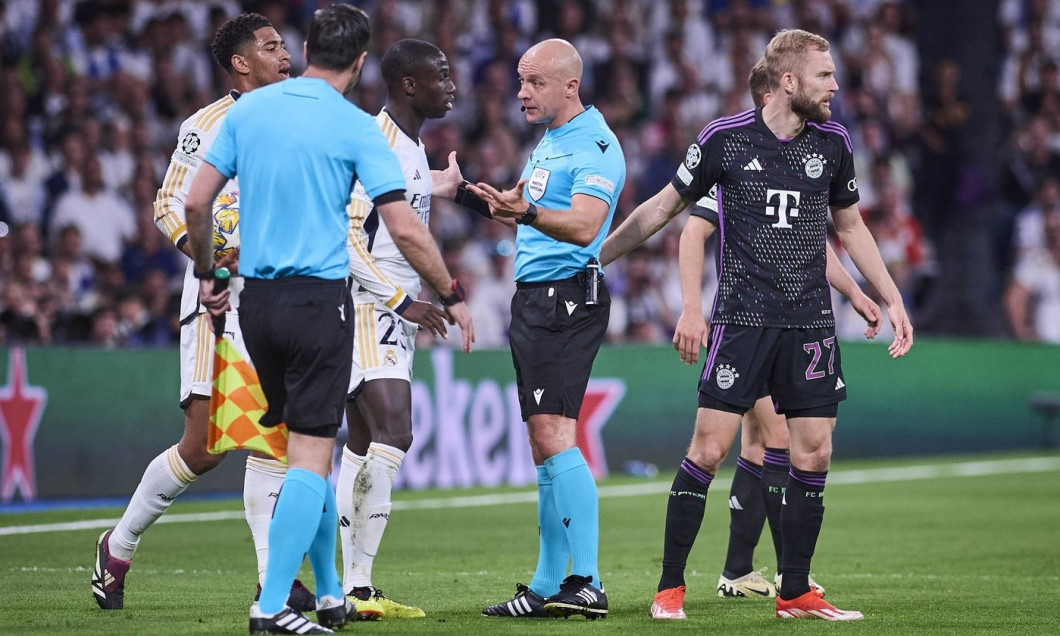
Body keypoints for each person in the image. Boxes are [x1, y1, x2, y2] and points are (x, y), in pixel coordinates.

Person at [600, 29, 913, 621]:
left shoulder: (834, 143)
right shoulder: (724, 139)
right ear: (788, 81)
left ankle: (795, 592)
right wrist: (597, 258)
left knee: (813, 454)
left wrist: (888, 295)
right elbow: (664, 210)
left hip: (811, 324)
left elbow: (850, 229)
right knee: (709, 449)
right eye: (824, 76)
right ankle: (669, 590)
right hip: (742, 322)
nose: (836, 87)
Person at [186, 6, 470, 634]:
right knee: (314, 457)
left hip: (256, 303)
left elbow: (195, 200)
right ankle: (271, 608)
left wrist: (209, 274)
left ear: (307, 47)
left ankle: (335, 593)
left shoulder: (248, 111)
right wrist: (450, 292)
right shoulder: (355, 127)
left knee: (300, 450)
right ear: (362, 61)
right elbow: (401, 226)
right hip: (320, 302)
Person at [91, 12, 316, 613]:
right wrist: (215, 257)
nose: (285, 54)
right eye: (270, 47)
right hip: (221, 299)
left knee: (278, 437)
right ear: (241, 64)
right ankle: (119, 542)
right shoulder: (207, 125)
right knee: (205, 447)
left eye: (283, 45)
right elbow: (171, 204)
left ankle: (276, 584)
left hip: (282, 295)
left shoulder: (304, 117)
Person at [468, 38, 626, 620]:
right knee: (543, 443)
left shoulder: (596, 145)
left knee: (557, 435)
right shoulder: (553, 142)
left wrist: (526, 213)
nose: (521, 92)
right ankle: (544, 583)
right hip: (536, 299)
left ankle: (587, 580)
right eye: (520, 80)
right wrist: (462, 194)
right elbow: (526, 212)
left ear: (569, 85)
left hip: (565, 298)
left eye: (533, 82)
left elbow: (585, 227)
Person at [334, 37, 467, 620]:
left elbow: (397, 210)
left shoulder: (409, 147)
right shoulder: (380, 142)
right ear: (409, 84)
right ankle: (355, 587)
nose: (453, 85)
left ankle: (355, 588)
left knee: (363, 444)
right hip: (369, 306)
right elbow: (345, 237)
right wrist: (400, 299)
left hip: (390, 309)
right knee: (395, 431)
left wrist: (438, 188)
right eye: (441, 75)